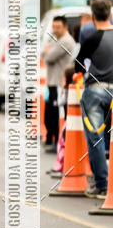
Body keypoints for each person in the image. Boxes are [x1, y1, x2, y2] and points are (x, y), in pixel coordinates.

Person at [74, 0, 113, 198]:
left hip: (95, 91)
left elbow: (78, 66)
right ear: (110, 13)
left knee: (96, 138)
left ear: (93, 15)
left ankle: (102, 185)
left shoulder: (91, 39)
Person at [41, 15, 75, 152]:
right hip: (52, 82)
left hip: (59, 83)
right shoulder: (57, 40)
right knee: (49, 114)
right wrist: (46, 53)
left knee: (56, 115)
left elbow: (48, 57)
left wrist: (47, 53)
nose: (55, 30)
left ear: (65, 27)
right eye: (54, 27)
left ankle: (56, 142)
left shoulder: (66, 41)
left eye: (58, 27)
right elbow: (44, 54)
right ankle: (51, 139)